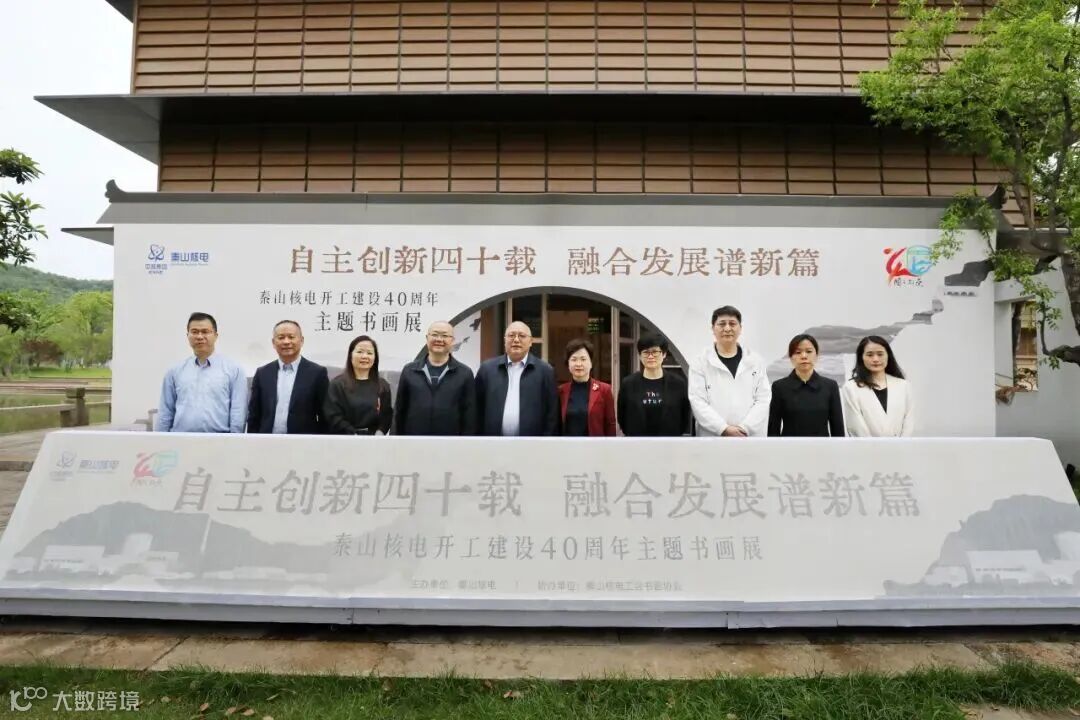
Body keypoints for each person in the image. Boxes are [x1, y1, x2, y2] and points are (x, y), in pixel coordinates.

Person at [156, 311, 247, 433]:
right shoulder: (174, 371)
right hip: (180, 439)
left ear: (215, 335)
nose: (199, 336)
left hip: (220, 440)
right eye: (194, 332)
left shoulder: (234, 370)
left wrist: (234, 441)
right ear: (187, 335)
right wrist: (159, 440)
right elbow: (165, 412)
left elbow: (238, 413)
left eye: (205, 332)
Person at [688, 306, 771, 437]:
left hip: (749, 436)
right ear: (713, 328)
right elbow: (698, 401)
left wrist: (744, 428)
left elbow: (763, 399)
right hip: (713, 437)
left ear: (740, 328)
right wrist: (723, 428)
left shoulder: (755, 361)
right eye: (722, 324)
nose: (727, 328)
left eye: (732, 324)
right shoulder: (700, 362)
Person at [475, 321, 559, 436]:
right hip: (492, 442)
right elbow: (476, 409)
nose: (516, 340)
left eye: (522, 336)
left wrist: (545, 442)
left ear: (530, 342)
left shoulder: (545, 371)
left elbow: (552, 414)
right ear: (505, 340)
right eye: (511, 335)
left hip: (532, 443)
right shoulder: (487, 369)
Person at [394, 321, 477, 435]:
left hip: (450, 442)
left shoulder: (464, 373)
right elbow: (399, 411)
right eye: (435, 334)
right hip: (414, 441)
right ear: (427, 338)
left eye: (444, 336)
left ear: (452, 340)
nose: (439, 339)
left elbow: (469, 416)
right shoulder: (409, 370)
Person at [247, 320, 329, 434]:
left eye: (291, 337)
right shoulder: (262, 373)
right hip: (267, 440)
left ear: (301, 340)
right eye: (281, 337)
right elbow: (254, 414)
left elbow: (325, 415)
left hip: (303, 441)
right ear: (273, 342)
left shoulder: (317, 373)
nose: (286, 342)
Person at [768, 334, 844, 437]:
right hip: (790, 446)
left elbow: (838, 429)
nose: (804, 356)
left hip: (822, 446)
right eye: (798, 352)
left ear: (817, 355)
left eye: (809, 351)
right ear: (791, 357)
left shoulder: (830, 386)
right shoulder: (779, 387)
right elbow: (773, 428)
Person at [617, 333, 691, 436]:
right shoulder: (628, 384)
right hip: (637, 441)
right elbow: (622, 417)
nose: (650, 356)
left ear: (664, 354)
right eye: (646, 352)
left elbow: (685, 417)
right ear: (640, 356)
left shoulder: (678, 384)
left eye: (655, 352)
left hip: (669, 441)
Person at [841, 335, 915, 437]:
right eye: (870, 355)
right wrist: (873, 446)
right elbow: (856, 427)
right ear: (861, 357)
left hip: (901, 445)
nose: (875, 359)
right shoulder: (851, 388)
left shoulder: (903, 385)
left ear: (888, 356)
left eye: (880, 354)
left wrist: (902, 443)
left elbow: (909, 421)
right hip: (866, 446)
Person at [324, 335, 394, 435]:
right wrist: (354, 434)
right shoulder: (337, 385)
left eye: (369, 353)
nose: (364, 356)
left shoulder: (383, 386)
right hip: (344, 438)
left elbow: (386, 415)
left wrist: (380, 432)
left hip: (374, 440)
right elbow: (333, 416)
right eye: (360, 352)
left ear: (375, 358)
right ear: (351, 355)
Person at [557, 339, 616, 437]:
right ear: (568, 364)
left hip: (595, 445)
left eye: (583, 359)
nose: (578, 364)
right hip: (567, 445)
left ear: (591, 363)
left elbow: (610, 425)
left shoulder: (604, 390)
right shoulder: (561, 391)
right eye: (574, 359)